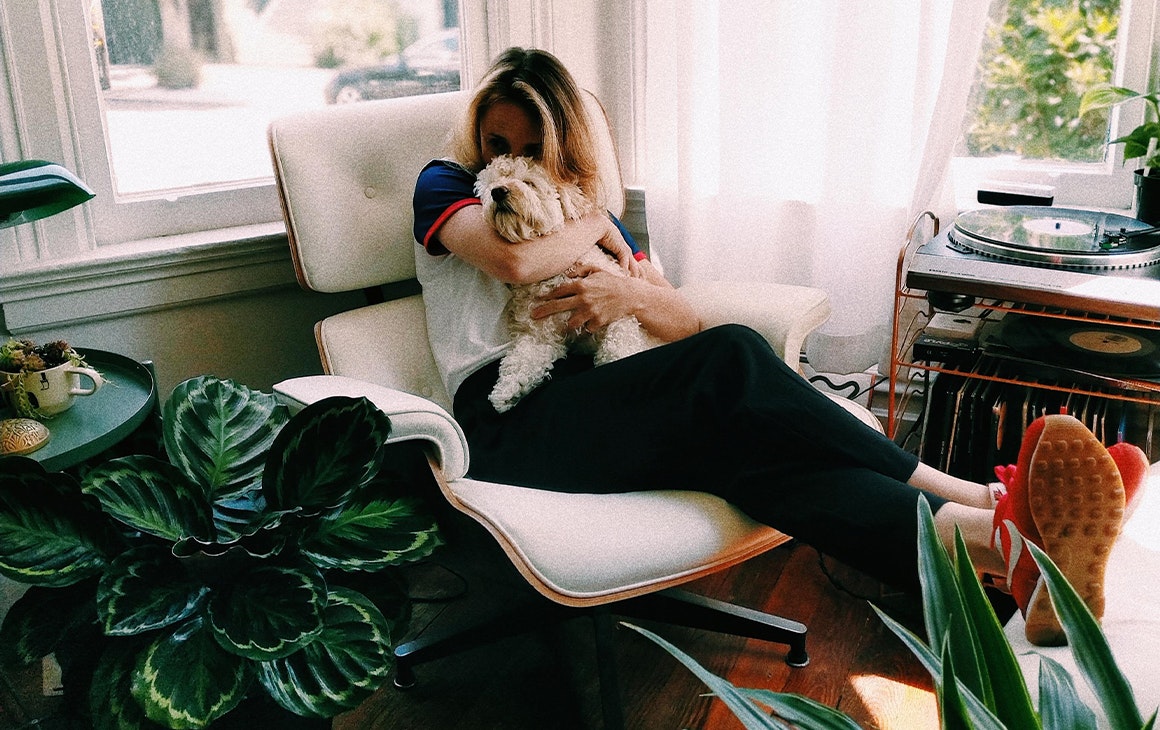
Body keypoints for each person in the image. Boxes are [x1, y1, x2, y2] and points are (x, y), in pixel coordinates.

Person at [412, 47, 1148, 647]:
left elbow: (679, 322)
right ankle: (975, 495)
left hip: (602, 408)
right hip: (506, 421)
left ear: (565, 149)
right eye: (498, 144)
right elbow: (515, 263)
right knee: (734, 355)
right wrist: (599, 216)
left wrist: (629, 291)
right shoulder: (449, 185)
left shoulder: (584, 214)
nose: (508, 162)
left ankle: (1013, 552)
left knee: (764, 462)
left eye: (534, 149)